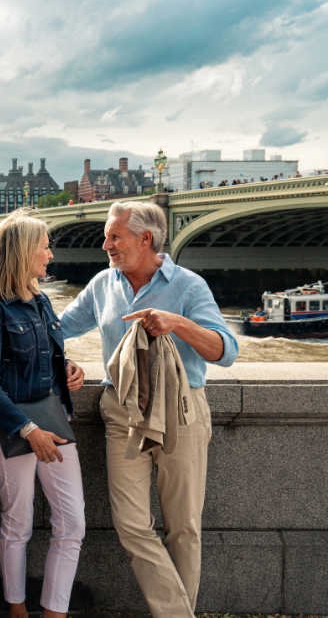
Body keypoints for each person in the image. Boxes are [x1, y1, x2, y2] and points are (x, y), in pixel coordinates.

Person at [60, 201, 238, 618]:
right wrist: (59, 361)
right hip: (122, 413)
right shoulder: (103, 283)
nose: (105, 244)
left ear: (145, 239)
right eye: (107, 235)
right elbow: (56, 328)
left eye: (114, 236)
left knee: (183, 528)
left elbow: (225, 351)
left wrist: (177, 323)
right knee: (131, 524)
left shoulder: (190, 286)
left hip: (181, 413)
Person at [0, 209, 87, 618]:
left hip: (54, 421)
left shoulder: (41, 301)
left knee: (72, 524)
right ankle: (17, 612)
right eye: (44, 246)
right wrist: (27, 428)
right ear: (23, 252)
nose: (50, 255)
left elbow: (50, 357)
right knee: (17, 523)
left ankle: (54, 613)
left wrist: (69, 368)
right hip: (15, 428)